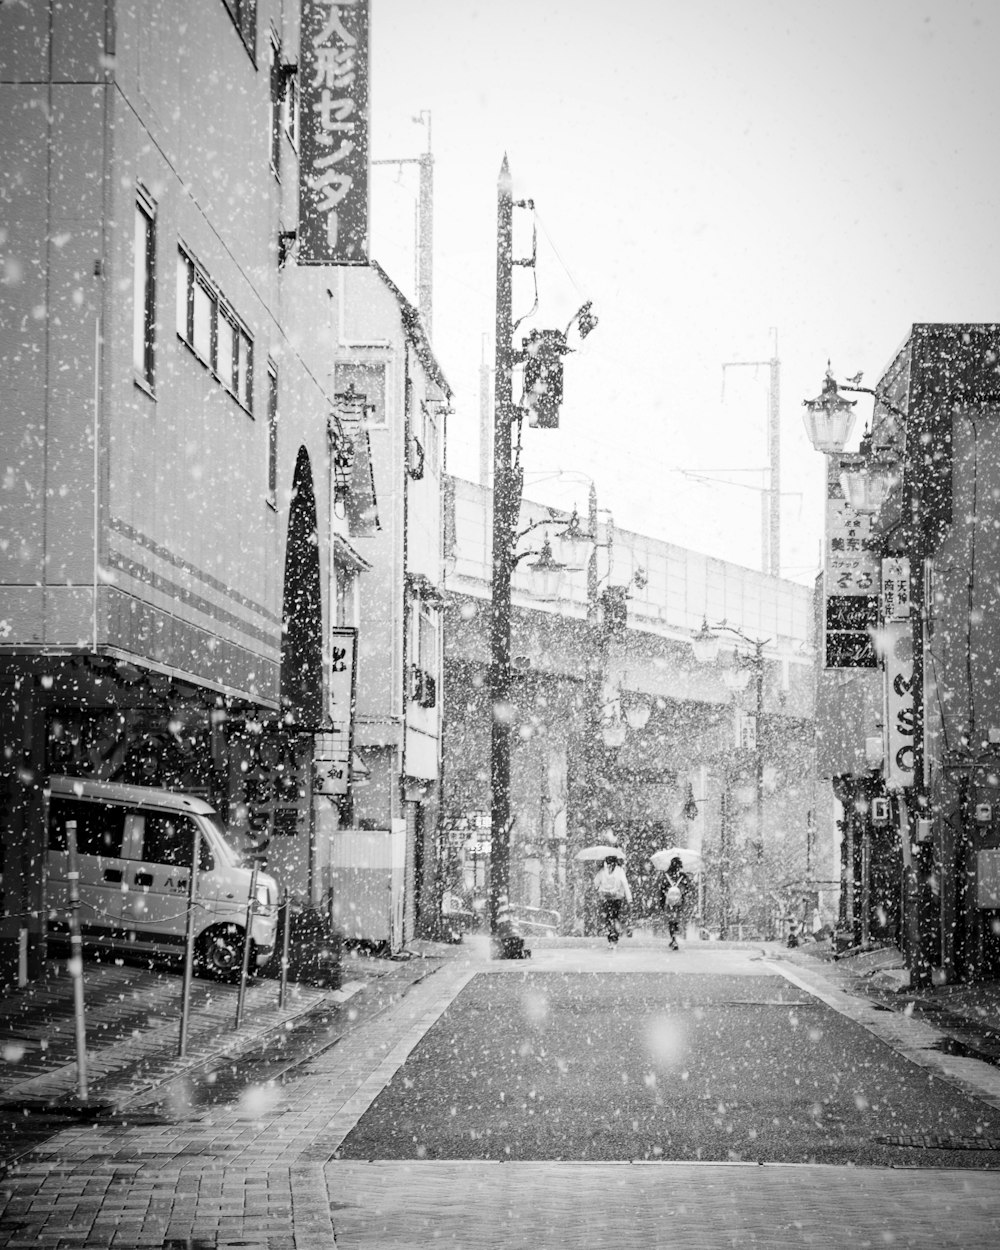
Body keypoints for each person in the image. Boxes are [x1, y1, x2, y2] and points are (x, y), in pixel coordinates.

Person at [593, 855, 632, 947]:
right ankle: (614, 935)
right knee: (614, 916)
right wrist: (629, 898)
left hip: (605, 897)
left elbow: (595, 883)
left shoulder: (602, 871)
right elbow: (625, 884)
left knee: (608, 918)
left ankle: (611, 936)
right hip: (617, 897)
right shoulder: (620, 871)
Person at [659, 856, 686, 951]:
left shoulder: (667, 875)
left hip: (669, 901)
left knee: (671, 921)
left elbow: (662, 890)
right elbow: (686, 890)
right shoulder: (682, 876)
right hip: (678, 902)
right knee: (676, 919)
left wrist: (662, 903)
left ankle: (673, 939)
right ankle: (676, 933)